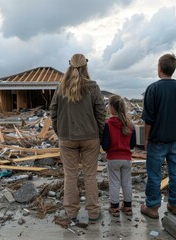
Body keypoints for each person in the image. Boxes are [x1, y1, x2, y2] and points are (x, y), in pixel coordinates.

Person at [50, 53, 106, 222]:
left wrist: (60, 132)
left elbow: (53, 111)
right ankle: (93, 212)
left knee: (70, 175)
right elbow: (101, 113)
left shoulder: (61, 87)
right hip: (91, 137)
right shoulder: (93, 87)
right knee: (90, 175)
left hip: (67, 138)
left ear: (69, 65)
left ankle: (71, 212)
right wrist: (100, 135)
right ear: (85, 65)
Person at [140, 53, 176, 219]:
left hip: (157, 141)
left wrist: (146, 139)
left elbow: (149, 119)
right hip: (175, 140)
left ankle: (153, 207)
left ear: (159, 68)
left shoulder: (153, 89)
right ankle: (175, 205)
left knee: (155, 175)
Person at [101, 95, 136, 217]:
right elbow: (132, 144)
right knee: (126, 182)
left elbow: (105, 145)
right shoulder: (129, 124)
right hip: (127, 158)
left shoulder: (108, 124)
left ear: (111, 108)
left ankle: (114, 207)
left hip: (113, 158)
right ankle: (127, 206)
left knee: (114, 183)